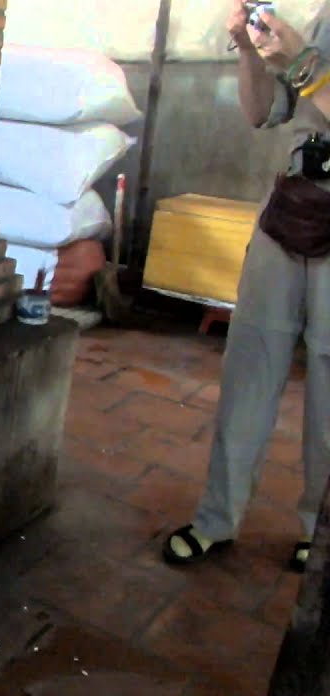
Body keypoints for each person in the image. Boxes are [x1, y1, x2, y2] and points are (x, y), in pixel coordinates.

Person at [163, 0, 330, 573]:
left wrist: (305, 64)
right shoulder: (317, 18)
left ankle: (319, 531)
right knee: (249, 365)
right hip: (292, 205)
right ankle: (217, 518)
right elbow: (262, 114)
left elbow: (311, 76)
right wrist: (250, 51)